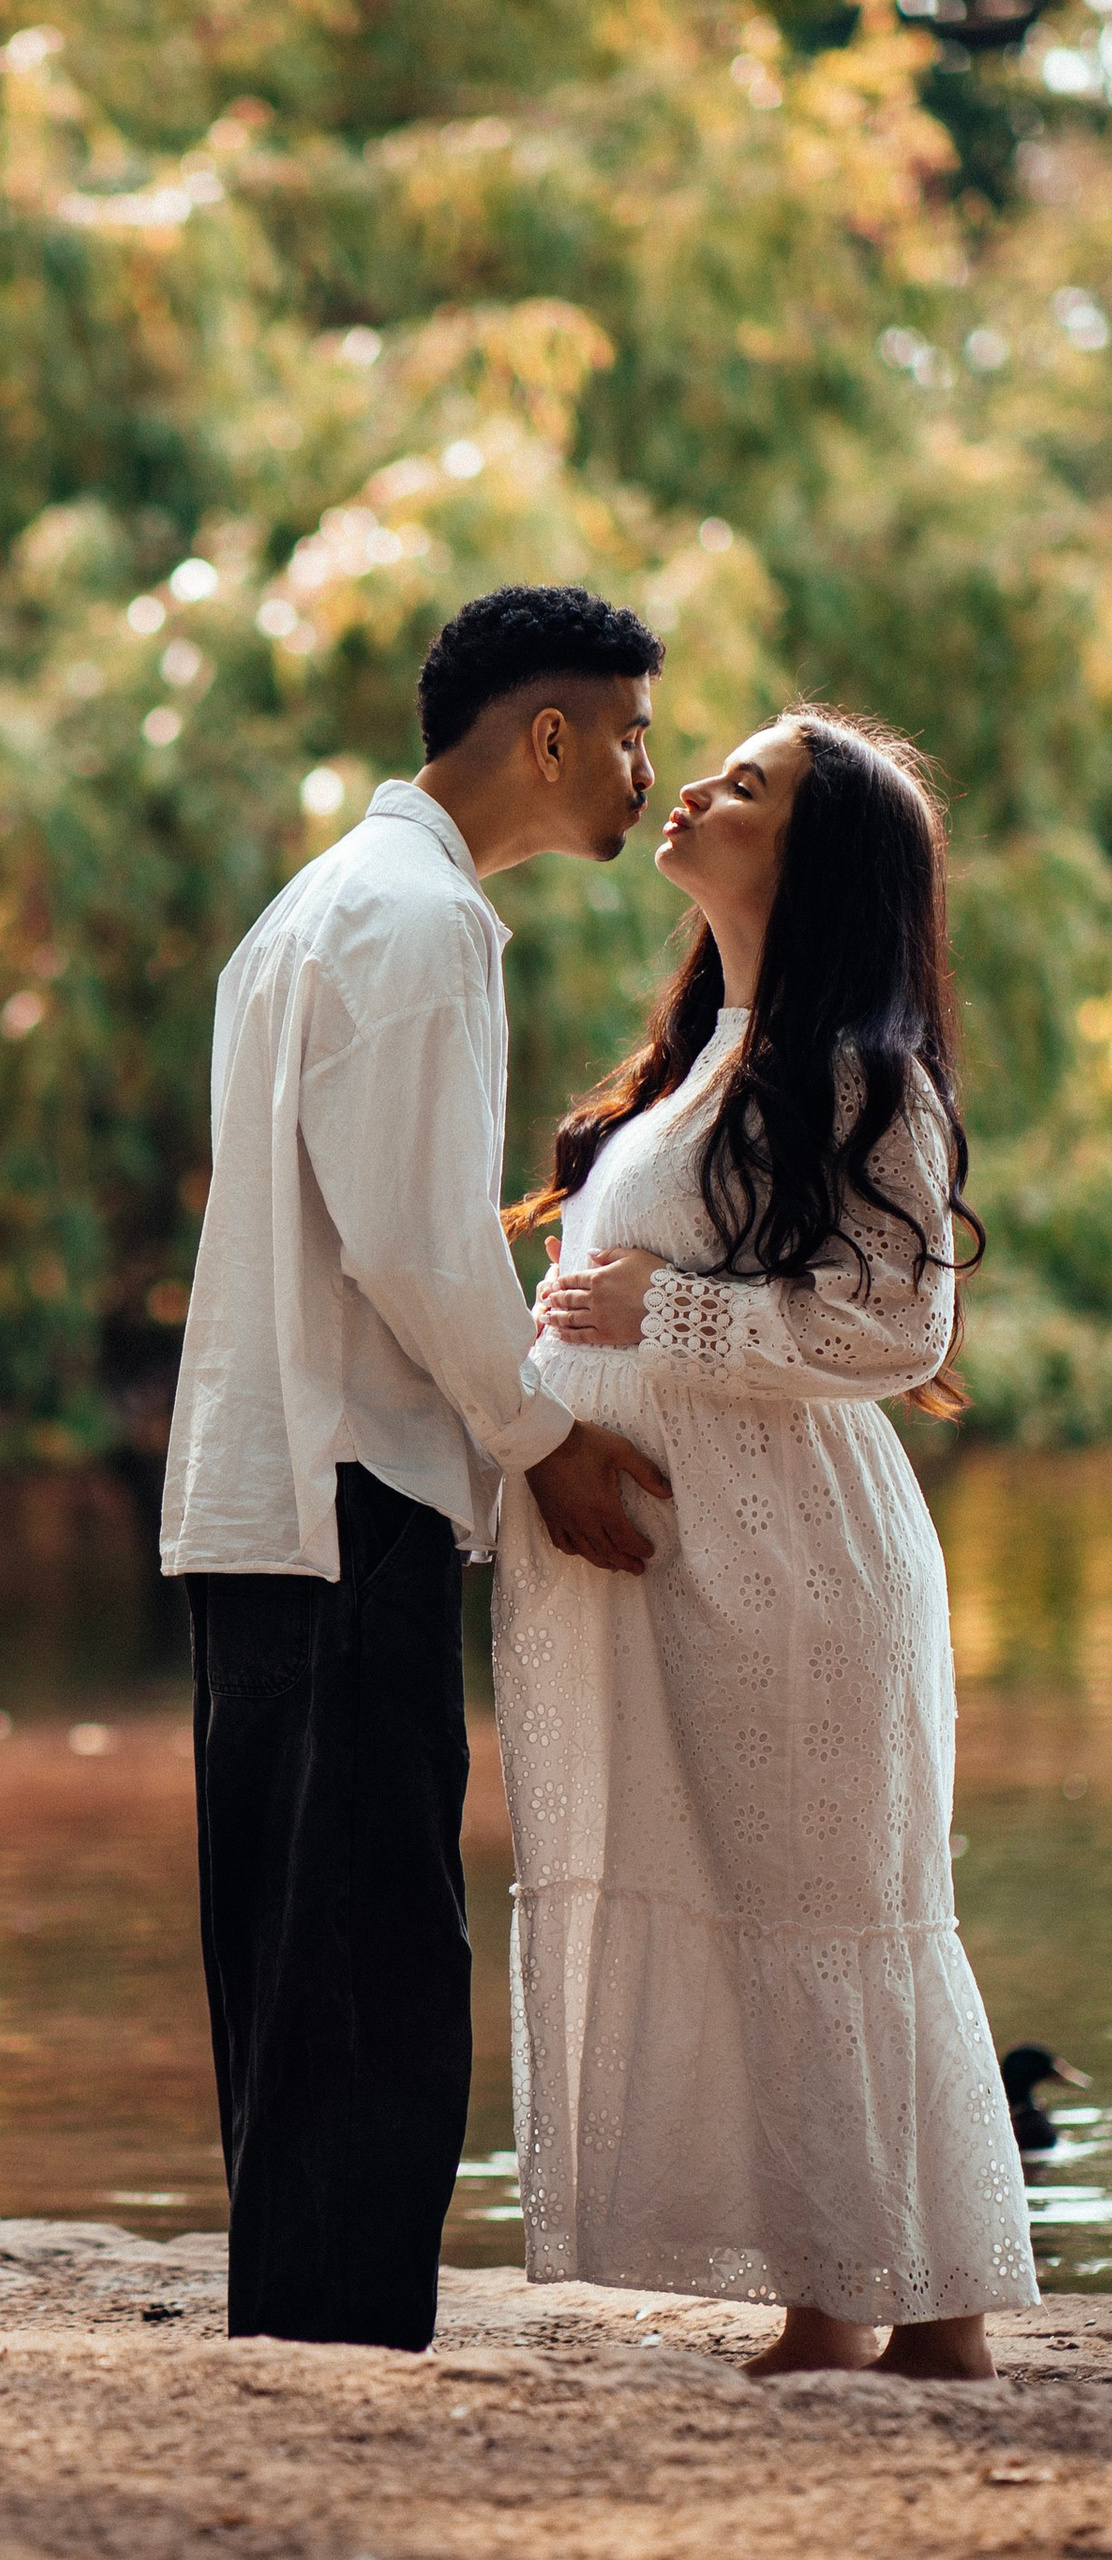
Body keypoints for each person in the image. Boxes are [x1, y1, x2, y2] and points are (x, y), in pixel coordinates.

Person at [161, 585, 675, 2350]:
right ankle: (338, 2345)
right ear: (550, 736)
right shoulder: (419, 916)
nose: (645, 772)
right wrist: (543, 1441)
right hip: (347, 1485)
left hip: (273, 1486)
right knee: (369, 1949)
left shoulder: (322, 899)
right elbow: (417, 1242)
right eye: (630, 736)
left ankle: (305, 2331)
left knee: (298, 1946)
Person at [499, 708, 1038, 2378]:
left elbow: (894, 1329)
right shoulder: (695, 1068)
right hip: (690, 1560)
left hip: (794, 1562)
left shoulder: (863, 1073)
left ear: (820, 861)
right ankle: (855, 2290)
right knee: (752, 1903)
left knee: (835, 1904)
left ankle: (914, 2308)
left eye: (749, 786)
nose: (697, 791)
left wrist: (663, 1311)